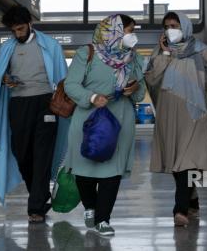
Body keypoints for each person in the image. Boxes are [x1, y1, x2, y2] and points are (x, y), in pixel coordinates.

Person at [0, 5, 69, 223]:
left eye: (20, 29)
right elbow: (0, 75)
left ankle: (36, 207)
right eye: (13, 31)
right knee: (22, 154)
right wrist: (5, 79)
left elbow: (63, 78)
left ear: (30, 23)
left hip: (46, 103)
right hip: (18, 104)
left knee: (42, 154)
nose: (17, 34)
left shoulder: (50, 45)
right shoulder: (7, 48)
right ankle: (39, 194)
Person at [63, 14, 146, 236]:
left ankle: (103, 219)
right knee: (85, 170)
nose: (132, 36)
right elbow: (71, 85)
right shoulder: (86, 54)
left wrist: (133, 88)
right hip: (88, 118)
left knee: (113, 171)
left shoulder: (134, 58)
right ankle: (90, 205)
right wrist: (91, 97)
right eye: (129, 30)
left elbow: (139, 94)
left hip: (120, 117)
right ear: (114, 31)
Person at [145, 12, 207, 226]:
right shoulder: (160, 52)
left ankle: (179, 209)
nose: (170, 29)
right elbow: (151, 79)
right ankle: (192, 198)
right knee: (176, 161)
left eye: (174, 25)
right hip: (167, 112)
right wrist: (163, 53)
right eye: (166, 26)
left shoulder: (200, 50)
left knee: (187, 160)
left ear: (186, 27)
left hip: (195, 113)